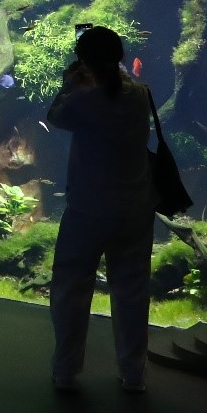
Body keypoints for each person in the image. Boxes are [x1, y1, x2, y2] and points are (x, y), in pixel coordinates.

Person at [45, 26, 155, 394]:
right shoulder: (140, 94)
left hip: (87, 208)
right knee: (132, 291)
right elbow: (118, 87)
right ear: (120, 58)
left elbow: (55, 115)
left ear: (84, 60)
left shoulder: (82, 100)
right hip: (134, 206)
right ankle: (134, 373)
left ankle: (65, 370)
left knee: (71, 289)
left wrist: (71, 84)